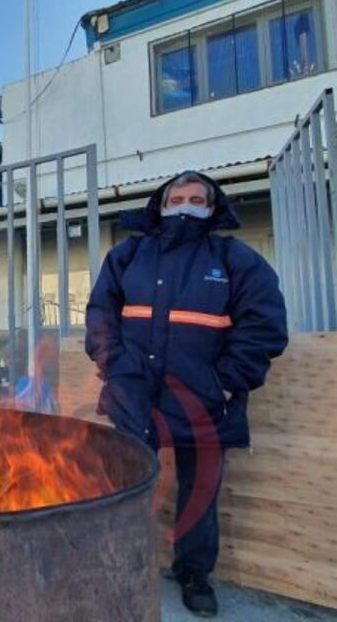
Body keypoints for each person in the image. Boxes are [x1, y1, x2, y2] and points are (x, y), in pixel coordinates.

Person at [85, 170, 287, 617]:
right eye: (177, 198)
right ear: (161, 204)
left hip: (206, 400)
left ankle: (194, 573)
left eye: (197, 199)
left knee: (201, 492)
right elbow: (100, 312)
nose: (186, 205)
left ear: (212, 208)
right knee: (125, 483)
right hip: (135, 394)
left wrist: (227, 381)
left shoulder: (235, 258)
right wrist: (113, 365)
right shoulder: (129, 254)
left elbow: (265, 325)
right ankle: (116, 558)